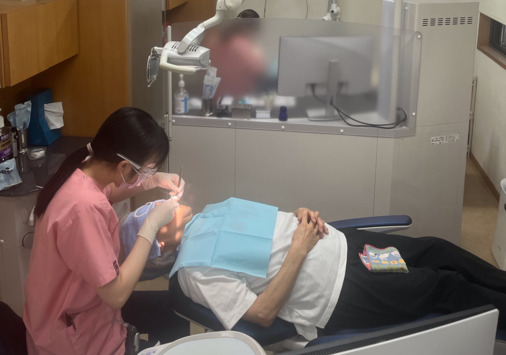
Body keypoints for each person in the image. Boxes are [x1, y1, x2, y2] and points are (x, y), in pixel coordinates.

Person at [165, 198, 506, 341]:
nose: (167, 201)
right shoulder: (194, 271)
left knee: (437, 249)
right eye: (154, 211)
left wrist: (298, 213)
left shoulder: (209, 213)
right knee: (445, 286)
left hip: (341, 243)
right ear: (160, 240)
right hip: (335, 290)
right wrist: (299, 249)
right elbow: (263, 314)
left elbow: (266, 232)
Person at [24, 107, 190, 355]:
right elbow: (116, 294)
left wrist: (151, 181)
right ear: (124, 166)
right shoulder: (83, 208)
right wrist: (151, 226)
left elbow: (108, 190)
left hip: (83, 311)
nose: (148, 174)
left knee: (175, 310)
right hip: (71, 338)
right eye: (147, 169)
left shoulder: (84, 168)